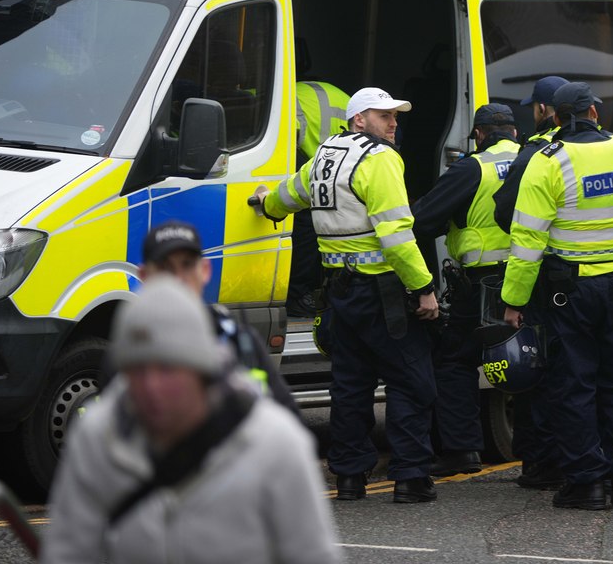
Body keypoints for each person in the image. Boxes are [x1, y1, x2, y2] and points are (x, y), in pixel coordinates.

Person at [42, 277, 338, 564]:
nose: (152, 386)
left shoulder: (275, 442)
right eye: (137, 369)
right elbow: (68, 550)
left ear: (202, 371)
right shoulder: (97, 434)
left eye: (168, 368)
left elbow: (312, 554)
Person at [257, 87, 440, 504]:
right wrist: (423, 288)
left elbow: (290, 196)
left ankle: (350, 479)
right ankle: (411, 478)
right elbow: (396, 234)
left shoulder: (326, 155)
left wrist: (265, 204)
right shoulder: (380, 159)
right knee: (411, 382)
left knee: (350, 386)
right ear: (360, 119)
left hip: (339, 295)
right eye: (383, 116)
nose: (393, 124)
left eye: (395, 116)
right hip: (384, 294)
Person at [501, 81, 613, 510]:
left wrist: (514, 300)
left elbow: (527, 242)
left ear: (555, 117)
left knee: (574, 385)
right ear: (594, 112)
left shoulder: (546, 161)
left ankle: (587, 482)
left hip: (566, 292)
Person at [411, 103, 520, 476]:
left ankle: (461, 451)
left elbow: (422, 220)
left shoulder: (473, 167)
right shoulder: (536, 159)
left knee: (455, 361)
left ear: (479, 135)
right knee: (534, 359)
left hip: (483, 284)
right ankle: (540, 453)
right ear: (515, 133)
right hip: (533, 277)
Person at [492, 75, 569, 491]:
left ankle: (542, 465)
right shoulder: (612, 148)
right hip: (606, 277)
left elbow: (508, 213)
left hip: (544, 277)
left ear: (544, 110)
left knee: (539, 370)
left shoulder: (537, 153)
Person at [138, 221, 299, 418]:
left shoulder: (240, 342)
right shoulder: (129, 353)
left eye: (187, 265)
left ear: (205, 270)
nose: (178, 278)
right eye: (165, 268)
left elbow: (290, 422)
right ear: (144, 276)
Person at [288, 81, 351, 317]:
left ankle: (297, 295)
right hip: (331, 165)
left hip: (321, 164)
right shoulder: (300, 95)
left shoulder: (283, 99)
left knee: (305, 224)